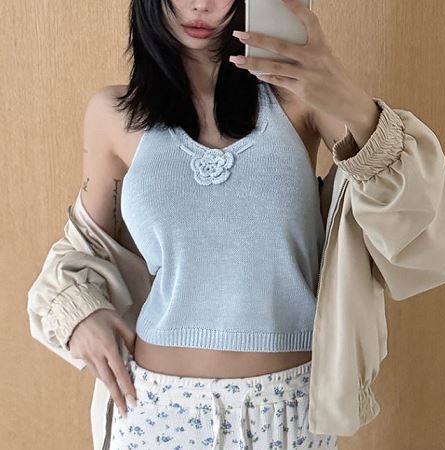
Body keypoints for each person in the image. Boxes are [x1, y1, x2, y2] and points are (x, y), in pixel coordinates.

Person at [48, 1, 391, 449]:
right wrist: (77, 315)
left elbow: (403, 205)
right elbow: (84, 248)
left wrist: (334, 81)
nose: (200, 4)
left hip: (286, 410)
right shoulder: (115, 115)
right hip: (156, 409)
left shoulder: (298, 99)